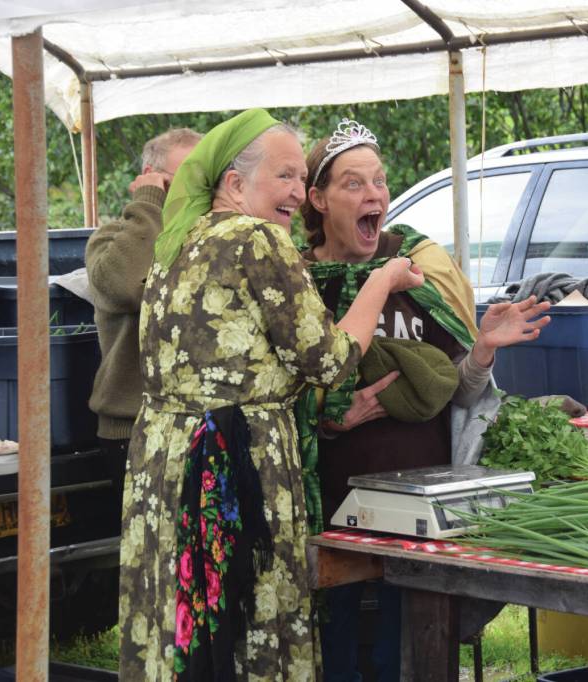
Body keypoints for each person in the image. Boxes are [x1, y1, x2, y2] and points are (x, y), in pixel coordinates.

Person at [117, 109, 422, 681]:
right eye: (284, 176)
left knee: (179, 618)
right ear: (235, 183)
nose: (299, 194)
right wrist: (382, 279)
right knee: (247, 618)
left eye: (300, 180)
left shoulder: (175, 243)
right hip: (233, 462)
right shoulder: (256, 238)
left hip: (162, 462)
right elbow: (329, 361)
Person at [298, 118, 550, 682]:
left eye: (380, 182)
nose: (374, 195)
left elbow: (458, 390)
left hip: (419, 515)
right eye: (354, 183)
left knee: (407, 651)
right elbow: (283, 398)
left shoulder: (416, 269)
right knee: (334, 650)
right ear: (318, 198)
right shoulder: (297, 282)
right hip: (331, 506)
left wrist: (482, 349)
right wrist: (333, 422)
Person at [86, 127, 201, 492]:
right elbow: (130, 286)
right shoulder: (110, 239)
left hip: (195, 423)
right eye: (180, 181)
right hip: (131, 426)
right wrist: (151, 203)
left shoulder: (205, 240)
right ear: (151, 180)